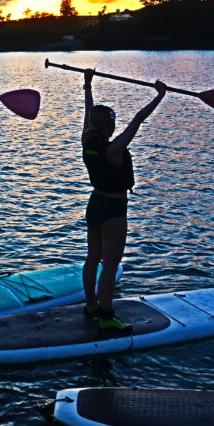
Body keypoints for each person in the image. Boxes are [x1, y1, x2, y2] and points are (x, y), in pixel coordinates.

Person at [81, 68, 166, 331]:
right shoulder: (114, 149)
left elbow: (89, 113)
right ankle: (107, 317)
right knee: (111, 265)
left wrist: (87, 85)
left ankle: (92, 304)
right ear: (109, 127)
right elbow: (138, 120)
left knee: (93, 257)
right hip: (114, 209)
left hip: (94, 205)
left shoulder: (87, 139)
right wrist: (159, 96)